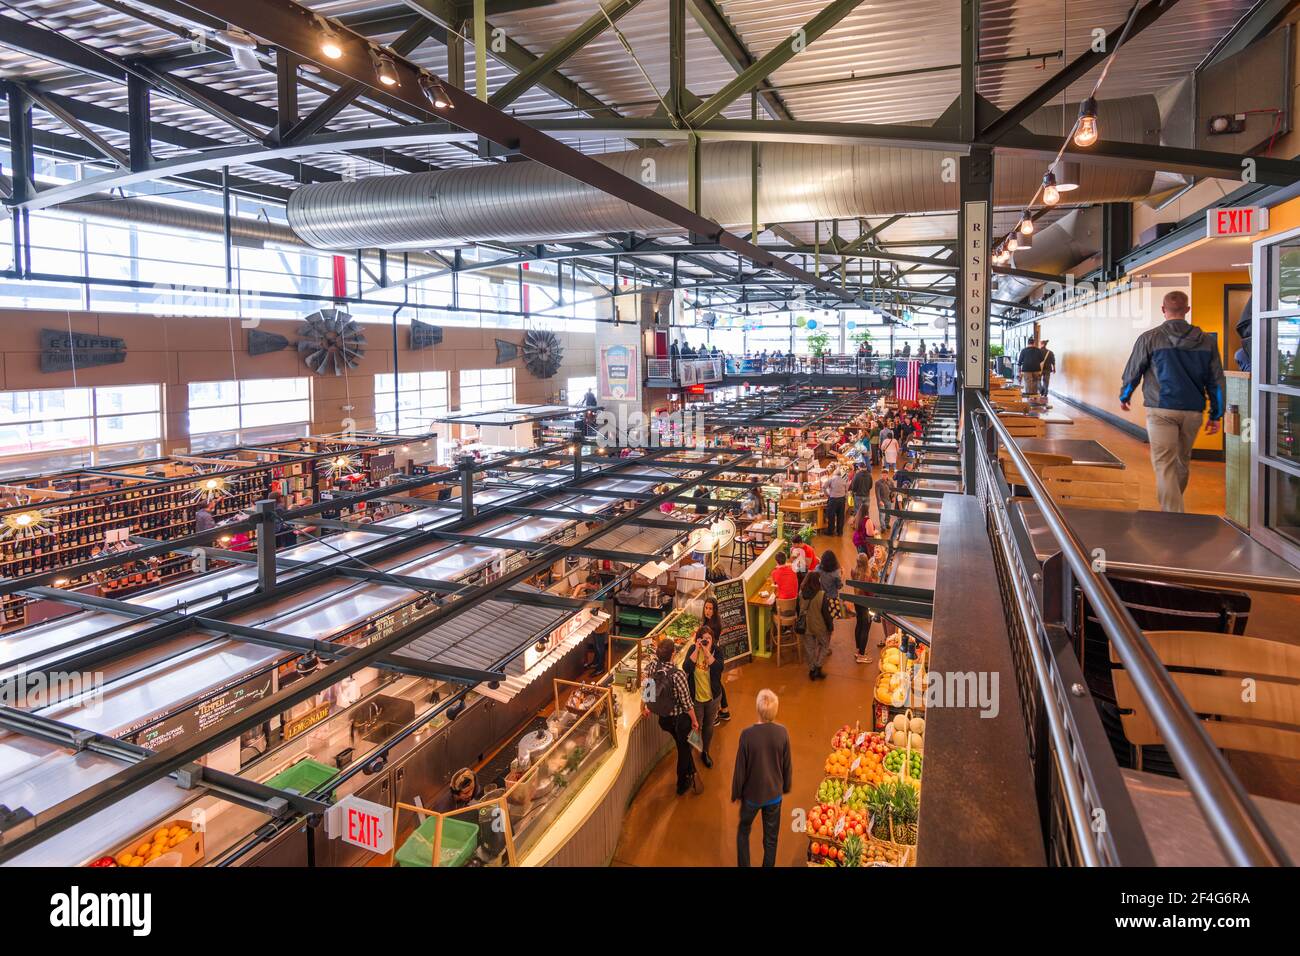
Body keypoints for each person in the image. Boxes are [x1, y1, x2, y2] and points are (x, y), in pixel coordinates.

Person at [1119, 290, 1226, 513]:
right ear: (1187, 310)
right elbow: (1216, 380)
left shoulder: (1150, 338)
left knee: (1164, 465)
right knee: (1181, 462)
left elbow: (1133, 370)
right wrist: (1217, 414)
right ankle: (1173, 507)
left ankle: (1173, 515)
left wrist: (1125, 395)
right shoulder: (1206, 341)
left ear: (1163, 310)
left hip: (1161, 410)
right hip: (1193, 411)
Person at [732, 689, 791, 868]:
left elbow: (740, 767)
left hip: (752, 796)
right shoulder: (782, 733)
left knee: (743, 831)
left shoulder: (747, 735)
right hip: (774, 795)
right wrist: (786, 785)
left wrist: (736, 792)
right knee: (771, 839)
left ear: (757, 710)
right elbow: (787, 764)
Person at [643, 637, 700, 795]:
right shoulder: (678, 675)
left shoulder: (653, 666)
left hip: (664, 720)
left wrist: (646, 707)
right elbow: (687, 704)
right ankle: (682, 783)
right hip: (680, 720)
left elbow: (648, 692)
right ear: (673, 653)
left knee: (682, 743)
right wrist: (695, 721)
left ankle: (690, 771)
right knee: (684, 749)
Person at [683, 627, 724, 768]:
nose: (706, 641)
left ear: (713, 640)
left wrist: (706, 651)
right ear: (698, 639)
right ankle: (690, 755)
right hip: (696, 699)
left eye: (709, 638)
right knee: (696, 727)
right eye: (703, 638)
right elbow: (686, 668)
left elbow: (718, 668)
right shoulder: (693, 650)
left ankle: (705, 752)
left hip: (713, 698)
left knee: (708, 727)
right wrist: (696, 649)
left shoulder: (717, 652)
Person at [698, 595, 731, 722]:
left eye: (710, 609)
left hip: (712, 658)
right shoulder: (710, 621)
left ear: (715, 610)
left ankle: (715, 715)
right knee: (717, 683)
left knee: (714, 684)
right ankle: (725, 710)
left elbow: (708, 642)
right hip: (712, 656)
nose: (707, 611)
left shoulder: (713, 626)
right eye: (706, 608)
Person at [799, 570, 833, 681]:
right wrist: (830, 626)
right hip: (819, 626)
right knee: (824, 645)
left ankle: (812, 670)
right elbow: (826, 613)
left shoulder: (801, 593)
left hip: (806, 626)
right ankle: (818, 666)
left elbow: (798, 609)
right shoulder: (821, 595)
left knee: (810, 649)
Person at [849, 551, 875, 663]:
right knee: (866, 628)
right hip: (866, 604)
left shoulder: (854, 572)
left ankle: (859, 649)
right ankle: (861, 655)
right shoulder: (867, 577)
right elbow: (870, 593)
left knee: (859, 624)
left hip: (857, 601)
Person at [822, 467, 848, 536]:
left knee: (831, 516)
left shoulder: (831, 479)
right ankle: (840, 532)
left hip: (833, 500)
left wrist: (827, 494)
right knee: (840, 516)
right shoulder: (843, 480)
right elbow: (846, 491)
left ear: (834, 474)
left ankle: (830, 531)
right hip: (841, 500)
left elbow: (823, 486)